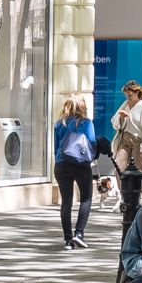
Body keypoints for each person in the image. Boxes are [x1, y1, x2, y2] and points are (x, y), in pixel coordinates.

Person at [49, 94, 101, 249]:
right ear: (82, 107)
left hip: (61, 164)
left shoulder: (59, 124)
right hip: (80, 164)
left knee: (66, 201)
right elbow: (91, 143)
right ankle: (79, 234)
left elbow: (56, 147)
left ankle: (67, 240)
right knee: (86, 198)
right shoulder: (86, 123)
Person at [110, 82, 142, 225]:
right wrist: (121, 118)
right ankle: (124, 196)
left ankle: (136, 196)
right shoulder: (125, 104)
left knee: (138, 169)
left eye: (129, 93)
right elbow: (115, 122)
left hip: (138, 140)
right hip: (124, 138)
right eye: (126, 93)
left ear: (136, 92)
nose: (127, 96)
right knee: (119, 167)